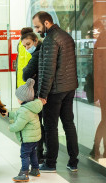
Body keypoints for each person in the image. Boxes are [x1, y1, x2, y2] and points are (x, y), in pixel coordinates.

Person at [32, 11, 79, 172]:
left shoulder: (50, 40)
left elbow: (48, 70)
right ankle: (73, 161)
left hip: (54, 91)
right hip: (69, 88)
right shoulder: (66, 36)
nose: (37, 30)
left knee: (51, 127)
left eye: (38, 26)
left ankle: (50, 163)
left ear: (46, 23)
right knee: (69, 124)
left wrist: (42, 94)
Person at [2, 78, 43, 182]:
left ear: (23, 98)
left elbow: (19, 125)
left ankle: (24, 173)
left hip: (27, 138)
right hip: (34, 137)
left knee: (24, 155)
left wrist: (10, 127)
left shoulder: (24, 110)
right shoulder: (31, 107)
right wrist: (8, 114)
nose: (17, 99)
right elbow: (17, 115)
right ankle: (35, 169)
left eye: (18, 97)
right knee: (33, 152)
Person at [21, 27, 46, 164]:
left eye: (28, 44)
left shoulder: (37, 54)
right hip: (40, 92)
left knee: (38, 124)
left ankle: (40, 155)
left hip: (39, 94)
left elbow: (26, 74)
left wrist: (29, 72)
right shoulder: (40, 51)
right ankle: (41, 154)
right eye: (24, 46)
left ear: (36, 41)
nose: (26, 48)